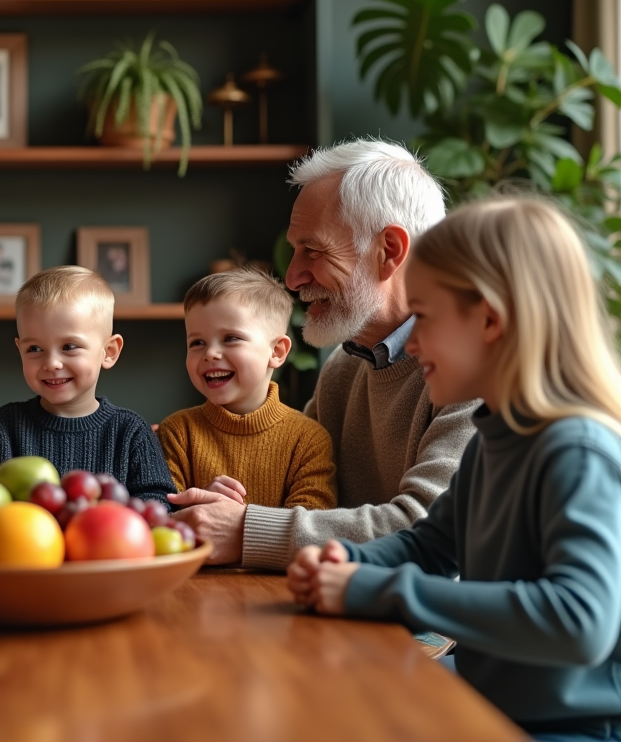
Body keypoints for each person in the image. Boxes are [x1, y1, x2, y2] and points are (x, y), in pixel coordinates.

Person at [288, 197, 621, 741]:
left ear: (489, 319)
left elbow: (578, 621)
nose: (410, 342)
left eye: (425, 317)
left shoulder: (575, 451)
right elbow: (429, 547)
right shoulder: (497, 438)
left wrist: (379, 590)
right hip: (486, 705)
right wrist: (345, 558)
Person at [169, 139, 479, 567]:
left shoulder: (479, 370)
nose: (292, 278)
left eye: (312, 251)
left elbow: (432, 533)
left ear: (389, 250)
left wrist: (245, 530)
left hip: (442, 631)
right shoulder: (346, 366)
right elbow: (292, 487)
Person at [0, 266, 176, 505]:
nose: (51, 363)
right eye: (35, 349)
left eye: (69, 347)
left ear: (108, 352)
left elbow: (159, 502)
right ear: (20, 350)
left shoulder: (130, 431)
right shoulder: (3, 427)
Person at [159, 268, 336, 510]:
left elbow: (309, 529)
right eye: (197, 342)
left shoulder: (308, 441)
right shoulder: (176, 433)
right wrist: (200, 504)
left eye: (231, 338)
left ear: (277, 352)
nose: (210, 353)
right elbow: (158, 519)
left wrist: (242, 524)